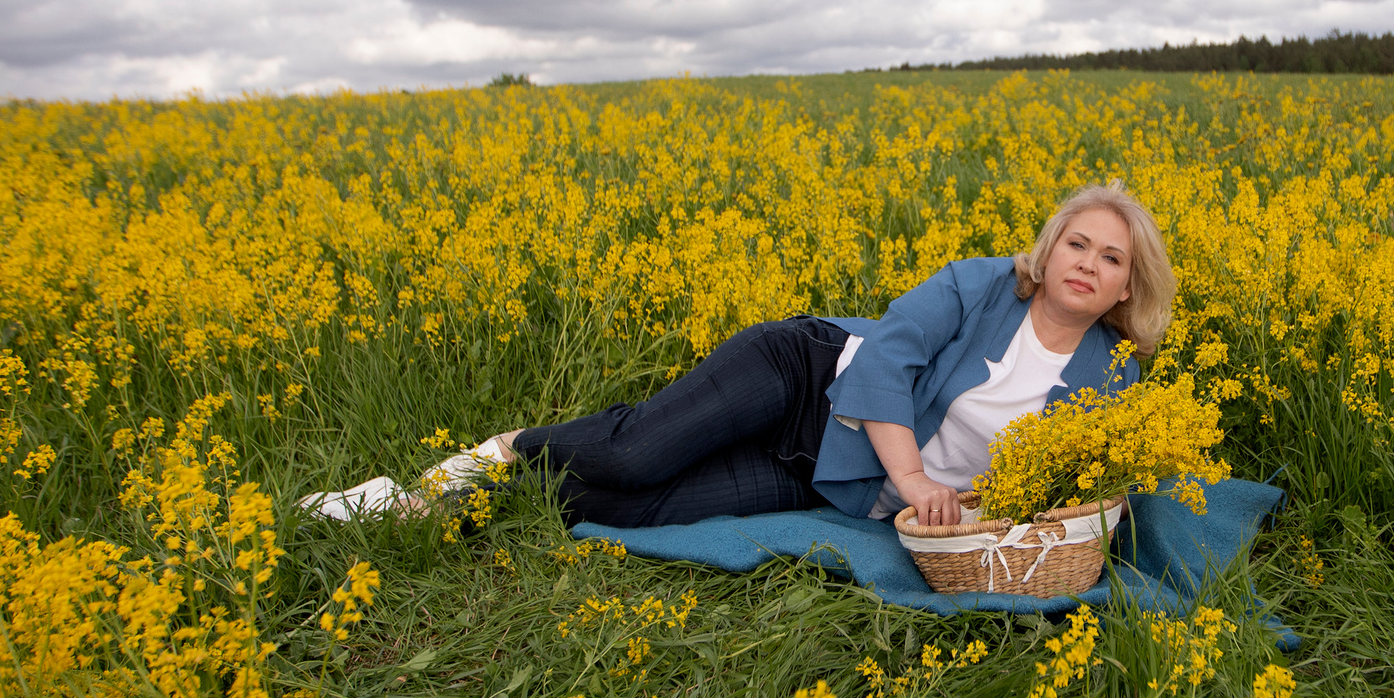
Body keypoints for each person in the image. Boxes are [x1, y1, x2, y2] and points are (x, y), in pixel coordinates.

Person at [299, 182, 1175, 530]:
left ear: (1128, 289)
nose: (1087, 265)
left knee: (633, 507)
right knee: (636, 451)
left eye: (1111, 259)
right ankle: (483, 460)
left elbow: (1076, 479)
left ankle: (468, 513)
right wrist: (917, 487)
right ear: (1050, 245)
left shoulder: (1114, 376)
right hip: (803, 377)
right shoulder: (982, 285)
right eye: (1078, 243)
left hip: (829, 476)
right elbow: (883, 367)